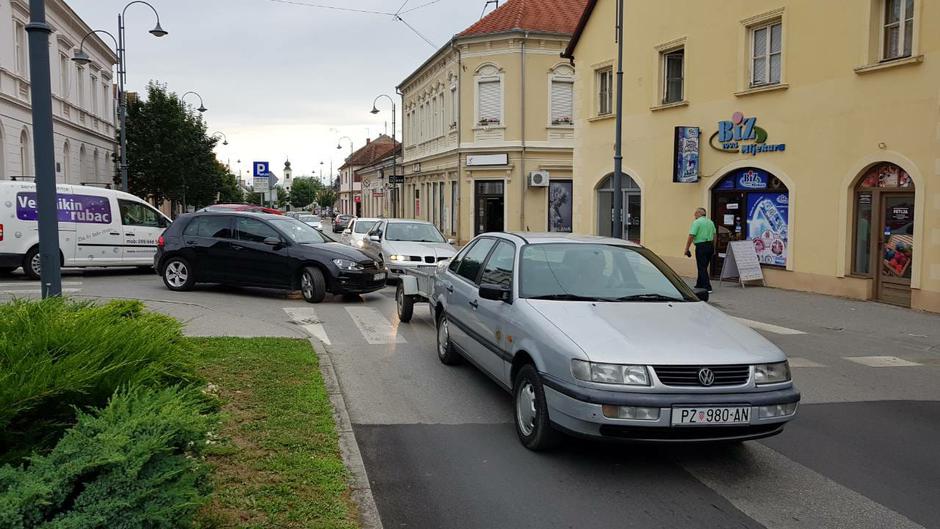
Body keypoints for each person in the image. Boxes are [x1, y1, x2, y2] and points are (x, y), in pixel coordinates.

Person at [684, 207, 717, 291]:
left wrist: (686, 248)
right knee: (704, 266)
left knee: (701, 267)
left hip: (701, 246)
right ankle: (699, 284)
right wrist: (714, 247)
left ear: (699, 213)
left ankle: (707, 287)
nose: (694, 215)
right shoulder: (710, 222)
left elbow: (691, 235)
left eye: (695, 213)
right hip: (710, 246)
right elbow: (714, 235)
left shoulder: (697, 222)